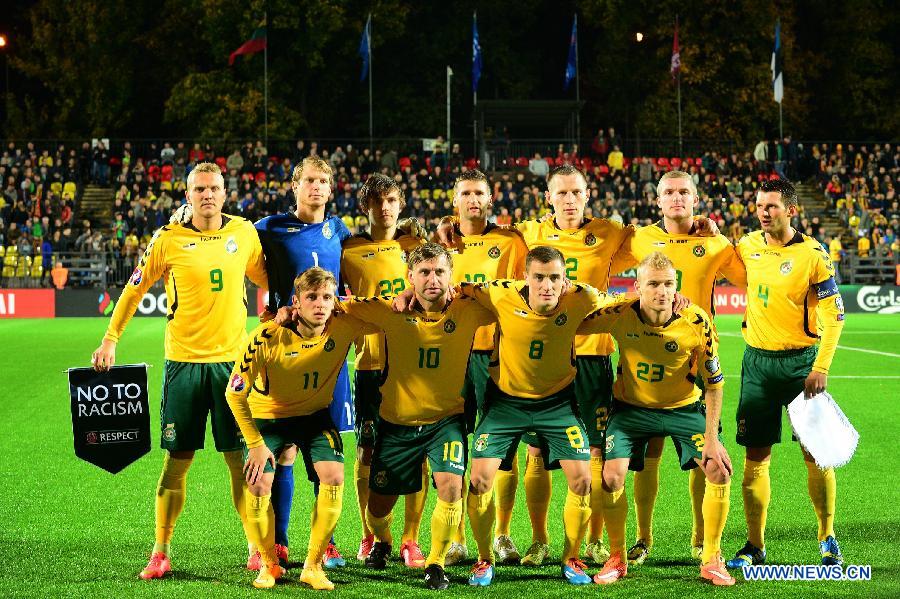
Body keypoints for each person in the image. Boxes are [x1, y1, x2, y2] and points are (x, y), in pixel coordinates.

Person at [90, 162, 268, 580]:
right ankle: (161, 551)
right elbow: (134, 288)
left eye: (215, 188)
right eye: (199, 188)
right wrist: (111, 338)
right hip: (184, 366)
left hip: (232, 368)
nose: (208, 195)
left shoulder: (243, 233)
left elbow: (269, 279)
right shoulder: (167, 239)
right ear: (187, 195)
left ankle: (255, 547)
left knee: (240, 462)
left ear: (226, 194)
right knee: (176, 460)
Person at [459, 246, 619, 587]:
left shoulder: (581, 298)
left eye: (555, 278)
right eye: (539, 277)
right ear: (526, 278)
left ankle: (571, 557)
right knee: (479, 480)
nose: (547, 285)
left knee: (582, 480)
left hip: (558, 405)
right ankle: (484, 559)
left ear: (565, 280)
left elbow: (622, 302)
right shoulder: (501, 293)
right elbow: (458, 289)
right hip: (505, 404)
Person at [609, 170, 747, 565]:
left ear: (696, 198)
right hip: (652, 358)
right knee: (648, 454)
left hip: (698, 359)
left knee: (701, 457)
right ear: (658, 200)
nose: (676, 197)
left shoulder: (714, 243)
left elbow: (750, 274)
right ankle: (644, 538)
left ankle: (702, 540)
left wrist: (721, 235)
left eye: (684, 191)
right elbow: (602, 261)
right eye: (668, 191)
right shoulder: (640, 239)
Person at [342, 243, 496, 590]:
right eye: (424, 272)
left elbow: (514, 297)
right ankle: (382, 540)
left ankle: (436, 562)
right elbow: (340, 306)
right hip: (396, 424)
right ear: (410, 277)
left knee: (451, 485)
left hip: (446, 421)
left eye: (440, 271)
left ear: (450, 276)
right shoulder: (389, 310)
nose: (432, 279)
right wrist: (289, 312)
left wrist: (471, 289)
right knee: (378, 508)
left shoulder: (468, 310)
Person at [581, 252, 735, 586]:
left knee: (719, 470)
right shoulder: (620, 312)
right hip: (631, 410)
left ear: (676, 287)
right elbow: (576, 323)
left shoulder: (696, 321)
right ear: (638, 287)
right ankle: (617, 557)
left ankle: (712, 558)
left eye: (668, 284)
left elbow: (715, 385)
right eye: (653, 284)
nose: (661, 292)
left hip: (683, 408)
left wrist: (712, 438)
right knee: (610, 477)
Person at [226, 267, 376, 590]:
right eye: (311, 297)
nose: (320, 304)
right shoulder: (267, 335)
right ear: (296, 301)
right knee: (258, 482)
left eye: (326, 297)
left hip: (314, 417)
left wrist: (355, 303)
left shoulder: (343, 325)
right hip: (270, 418)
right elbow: (233, 392)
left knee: (333, 475)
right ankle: (269, 564)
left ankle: (313, 564)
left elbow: (384, 313)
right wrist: (254, 443)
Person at [727, 178, 846, 569]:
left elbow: (835, 316)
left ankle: (827, 537)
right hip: (757, 365)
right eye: (759, 205)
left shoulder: (814, 255)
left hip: (800, 367)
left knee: (815, 455)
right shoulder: (747, 245)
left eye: (772, 206)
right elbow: (719, 260)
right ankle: (755, 545)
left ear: (791, 210)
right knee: (754, 459)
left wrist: (821, 367)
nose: (763, 211)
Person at [252, 157, 353, 569]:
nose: (316, 187)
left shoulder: (340, 230)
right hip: (284, 347)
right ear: (295, 186)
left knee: (325, 446)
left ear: (331, 189)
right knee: (286, 449)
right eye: (309, 180)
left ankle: (325, 543)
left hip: (330, 350)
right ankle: (275, 542)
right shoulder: (269, 227)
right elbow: (231, 239)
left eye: (323, 181)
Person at [339, 173, 426, 566]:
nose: (385, 207)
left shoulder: (417, 246)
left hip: (415, 365)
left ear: (401, 204)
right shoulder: (349, 250)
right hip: (371, 365)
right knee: (367, 450)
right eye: (377, 202)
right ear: (365, 207)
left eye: (391, 200)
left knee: (418, 449)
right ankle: (369, 535)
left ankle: (410, 538)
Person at [444, 169, 529, 565]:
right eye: (466, 193)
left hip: (497, 355)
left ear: (490, 198)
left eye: (479, 192)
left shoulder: (510, 241)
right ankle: (458, 534)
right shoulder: (442, 243)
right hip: (453, 355)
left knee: (503, 446)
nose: (473, 199)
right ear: (454, 200)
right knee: (456, 443)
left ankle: (502, 533)